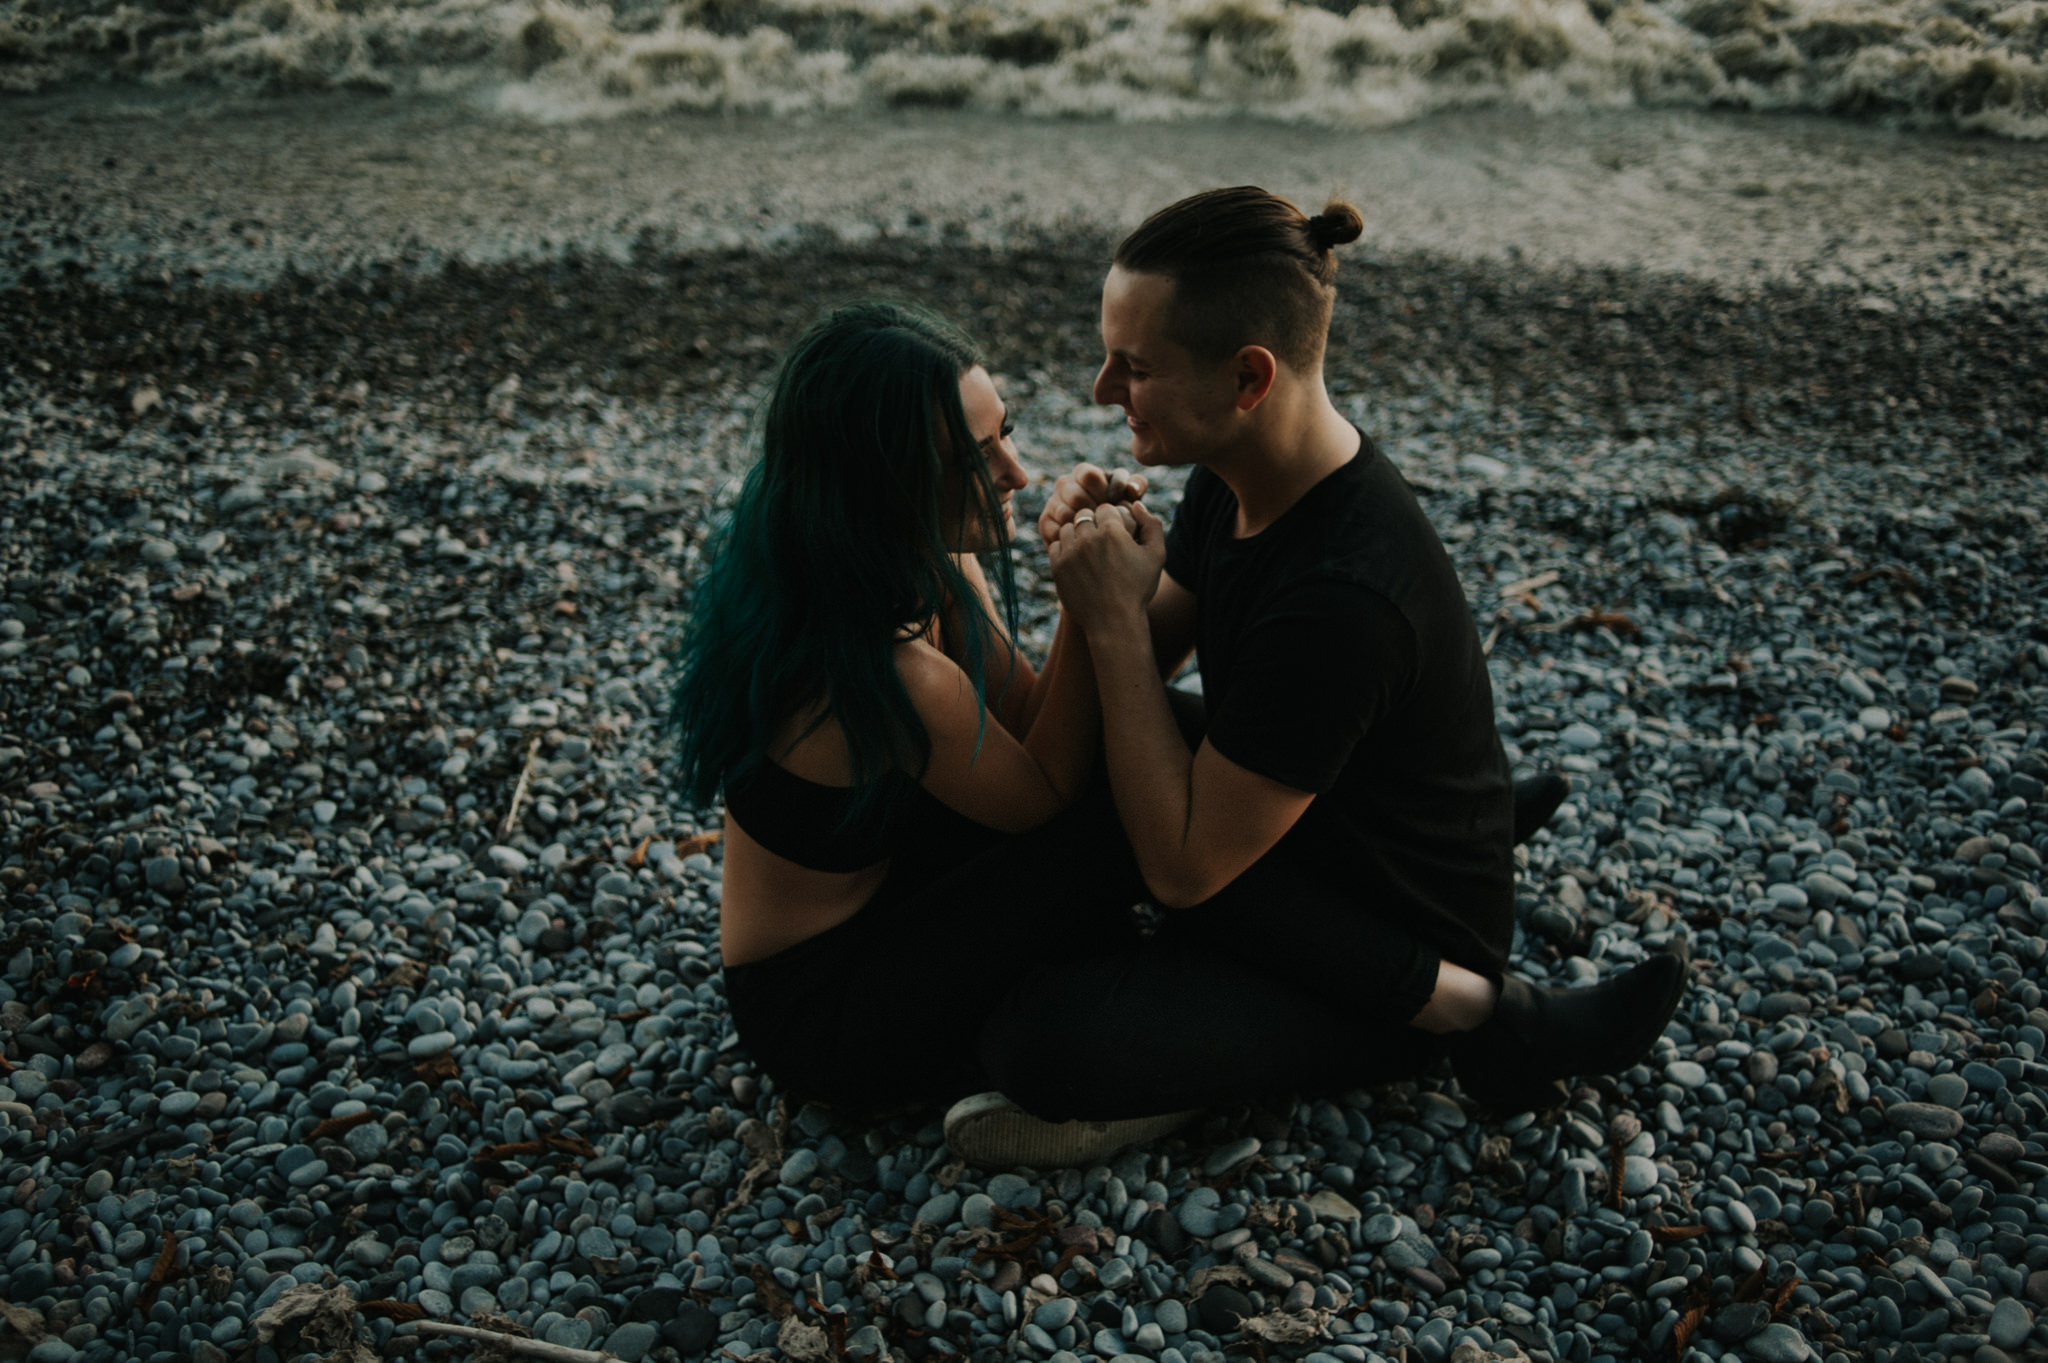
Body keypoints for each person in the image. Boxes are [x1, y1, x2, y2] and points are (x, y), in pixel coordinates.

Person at [947, 188, 1687, 1166]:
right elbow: (1137, 669)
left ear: (1248, 377)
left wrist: (1112, 623)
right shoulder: (1236, 478)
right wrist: (1096, 571)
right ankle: (1461, 806)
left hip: (1386, 933)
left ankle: (1480, 1022)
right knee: (1115, 752)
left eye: (1132, 367)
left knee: (1034, 1041)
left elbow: (1180, 869)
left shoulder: (1344, 591)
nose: (1098, 391)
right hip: (1316, 838)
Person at [665, 300, 1169, 1117]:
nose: (1017, 472)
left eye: (1008, 431)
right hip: (827, 1006)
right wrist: (1090, 603)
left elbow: (1028, 718)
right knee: (1121, 808)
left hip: (894, 881)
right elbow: (1048, 791)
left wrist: (1083, 560)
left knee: (1156, 742)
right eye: (979, 455)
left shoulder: (909, 558)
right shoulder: (875, 662)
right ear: (888, 480)